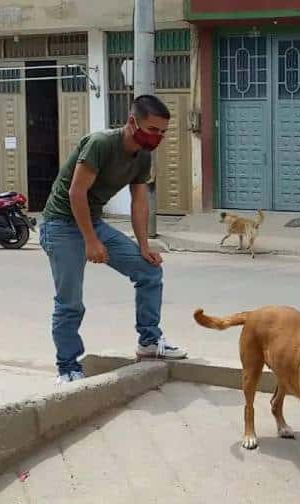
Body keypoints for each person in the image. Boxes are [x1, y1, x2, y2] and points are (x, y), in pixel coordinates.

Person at [40, 95, 187, 385]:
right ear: (132, 122)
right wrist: (91, 241)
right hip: (60, 224)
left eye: (162, 132)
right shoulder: (101, 143)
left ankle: (149, 341)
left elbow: (139, 203)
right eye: (152, 129)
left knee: (149, 271)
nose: (157, 137)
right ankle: (67, 367)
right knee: (70, 303)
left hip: (90, 222)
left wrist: (144, 246)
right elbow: (76, 193)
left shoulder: (143, 155)